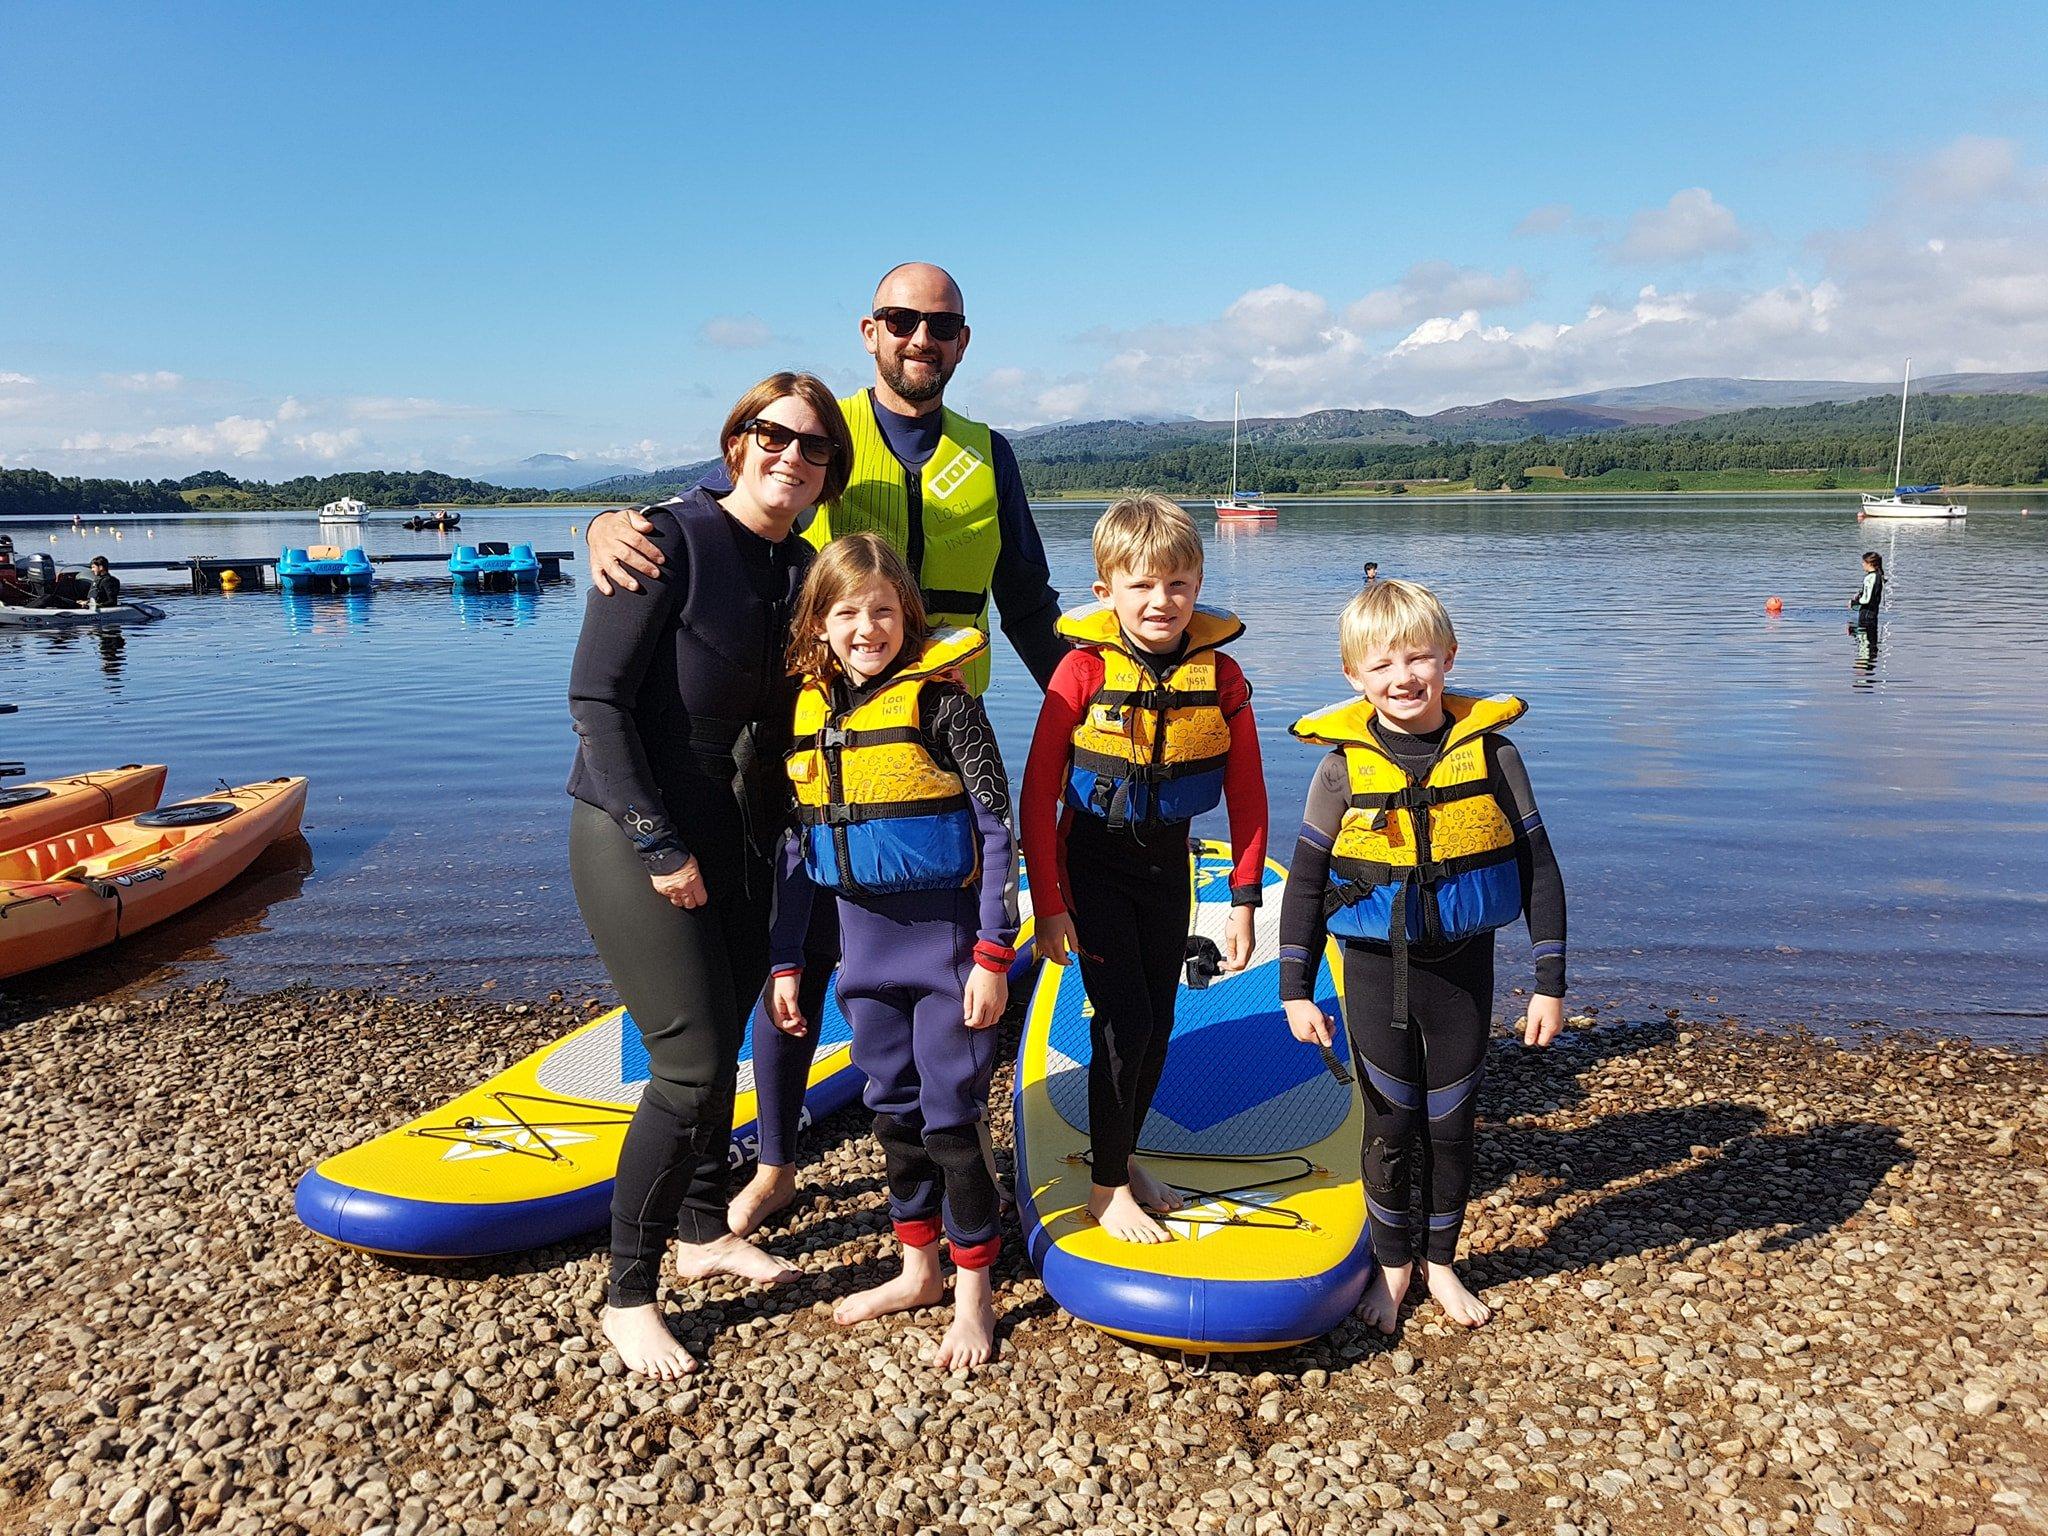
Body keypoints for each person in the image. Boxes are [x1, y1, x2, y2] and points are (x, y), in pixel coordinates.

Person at [585, 263, 1066, 1234]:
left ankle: (950, 1164)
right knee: (795, 946)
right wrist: (604, 520)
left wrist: (1092, 701)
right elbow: (727, 499)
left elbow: (1028, 604)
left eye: (939, 325)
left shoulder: (991, 454)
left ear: (962, 341)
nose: (918, 338)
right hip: (827, 731)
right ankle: (773, 1158)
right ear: (869, 330)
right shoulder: (824, 432)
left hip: (942, 731)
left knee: (940, 938)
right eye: (900, 320)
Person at [565, 371, 854, 1379]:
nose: (790, 456)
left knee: (725, 1035)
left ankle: (701, 1230)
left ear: (829, 471)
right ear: (737, 442)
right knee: (686, 1068)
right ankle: (627, 1293)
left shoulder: (801, 567)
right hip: (631, 827)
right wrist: (656, 842)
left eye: (813, 446)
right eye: (770, 436)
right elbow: (595, 701)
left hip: (738, 837)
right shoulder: (665, 539)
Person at [1280, 579, 1567, 1332]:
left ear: (1449, 657)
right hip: (1375, 975)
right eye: (1382, 666)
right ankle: (1393, 1267)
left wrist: (1548, 982)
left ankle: (1441, 1266)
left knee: (1450, 1124)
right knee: (1387, 1126)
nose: (1403, 678)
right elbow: (1307, 884)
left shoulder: (1494, 755)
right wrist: (1295, 990)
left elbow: (1539, 867)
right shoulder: (1341, 768)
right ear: (1354, 677)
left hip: (1462, 976)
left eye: (1418, 658)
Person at [767, 533, 1019, 1369]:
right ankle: (920, 1270)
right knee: (893, 1114)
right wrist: (787, 959)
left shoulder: (946, 704)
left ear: (906, 616)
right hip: (865, 962)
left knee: (953, 1121)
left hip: (947, 955)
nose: (865, 628)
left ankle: (975, 1295)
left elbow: (995, 827)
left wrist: (991, 952)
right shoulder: (813, 709)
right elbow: (801, 849)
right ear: (820, 622)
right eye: (846, 613)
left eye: (881, 611)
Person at [1020, 494, 1268, 1243]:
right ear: (1106, 593)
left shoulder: (1220, 677)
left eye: (1178, 585)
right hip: (1090, 861)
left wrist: (1245, 899)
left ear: (1197, 585)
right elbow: (1037, 796)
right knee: (1124, 1021)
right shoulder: (1080, 672)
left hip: (1168, 865)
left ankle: (1121, 1161)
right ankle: (1104, 1189)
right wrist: (1049, 902)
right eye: (1142, 586)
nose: (1162, 602)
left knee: (1158, 1020)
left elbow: (1249, 795)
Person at [1849, 551, 1883, 635]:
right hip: (1873, 613)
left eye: (1864, 562)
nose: (1862, 564)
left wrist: (1853, 603)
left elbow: (1866, 599)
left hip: (1866, 614)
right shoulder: (1878, 576)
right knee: (1872, 641)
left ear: (1870, 563)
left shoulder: (1870, 577)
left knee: (1865, 643)